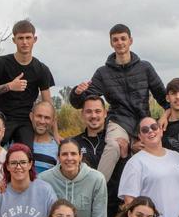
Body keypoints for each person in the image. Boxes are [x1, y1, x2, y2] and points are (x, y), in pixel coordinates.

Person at [70, 23, 168, 181]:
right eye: (115, 40)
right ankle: (96, 186)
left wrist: (167, 114)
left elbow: (162, 96)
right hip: (119, 120)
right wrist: (77, 93)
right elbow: (85, 100)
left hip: (142, 118)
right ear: (111, 43)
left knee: (147, 150)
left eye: (123, 39)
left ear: (130, 41)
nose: (120, 42)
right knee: (115, 146)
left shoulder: (145, 67)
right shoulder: (103, 72)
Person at [0, 19, 55, 147]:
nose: (25, 42)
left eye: (28, 38)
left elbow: (48, 106)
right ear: (14, 40)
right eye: (20, 38)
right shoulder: (1, 62)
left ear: (35, 39)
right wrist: (9, 86)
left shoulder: (41, 69)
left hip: (24, 121)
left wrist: (56, 134)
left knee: (26, 154)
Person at [118, 117, 179, 217]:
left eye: (154, 127)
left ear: (161, 130)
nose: (150, 131)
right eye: (145, 130)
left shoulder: (177, 157)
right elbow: (129, 201)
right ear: (140, 137)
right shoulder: (135, 162)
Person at [38, 139, 108, 217]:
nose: (69, 158)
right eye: (65, 154)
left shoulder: (97, 179)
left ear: (80, 156)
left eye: (73, 154)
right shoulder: (44, 179)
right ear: (58, 157)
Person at [75, 97, 108, 169]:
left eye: (98, 111)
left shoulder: (114, 140)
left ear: (105, 113)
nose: (93, 116)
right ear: (82, 114)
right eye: (89, 111)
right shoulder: (74, 143)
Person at [29, 99, 60, 173]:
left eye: (47, 118)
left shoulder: (58, 149)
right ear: (31, 116)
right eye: (39, 116)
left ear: (53, 121)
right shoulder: (16, 141)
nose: (42, 121)